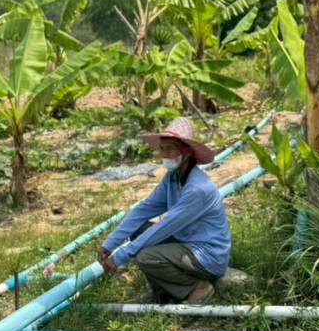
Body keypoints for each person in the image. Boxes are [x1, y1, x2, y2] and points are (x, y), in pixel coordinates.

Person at [97, 117, 230, 305]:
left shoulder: (197, 189)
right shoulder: (173, 178)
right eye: (162, 148)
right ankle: (162, 292)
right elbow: (144, 209)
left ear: (186, 151)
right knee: (139, 229)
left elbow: (164, 227)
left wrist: (120, 257)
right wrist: (109, 244)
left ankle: (196, 287)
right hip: (186, 243)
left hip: (207, 255)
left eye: (170, 148)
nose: (164, 154)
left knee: (146, 256)